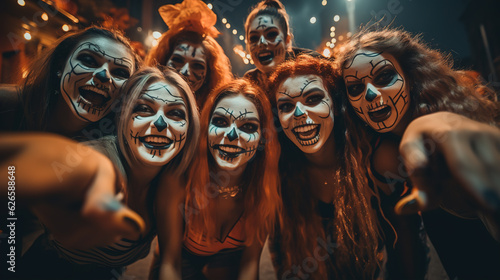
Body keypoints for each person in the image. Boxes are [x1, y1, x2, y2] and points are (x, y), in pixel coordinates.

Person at [3, 66, 200, 279]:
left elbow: (171, 263)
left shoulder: (170, 179)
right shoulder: (98, 158)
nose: (160, 123)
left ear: (190, 127)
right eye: (143, 108)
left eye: (176, 113)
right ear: (123, 116)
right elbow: (82, 165)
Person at [335, 27, 500, 279]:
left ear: (411, 76)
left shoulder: (443, 128)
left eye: (384, 76)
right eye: (355, 88)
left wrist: (435, 127)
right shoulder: (382, 155)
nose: (369, 94)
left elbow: (441, 127)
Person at [268, 55, 382, 279]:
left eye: (313, 99)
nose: (299, 113)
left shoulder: (371, 161)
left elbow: (407, 251)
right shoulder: (277, 179)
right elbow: (284, 265)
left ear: (336, 104)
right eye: (286, 106)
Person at [154, 79, 281, 280]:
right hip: (180, 259)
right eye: (221, 122)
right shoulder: (178, 177)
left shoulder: (264, 186)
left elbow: (250, 263)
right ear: (205, 127)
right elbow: (170, 262)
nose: (231, 135)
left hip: (229, 260)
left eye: (248, 126)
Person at [0, 26, 140, 138]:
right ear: (60, 65)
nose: (103, 76)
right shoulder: (6, 105)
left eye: (120, 73)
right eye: (89, 60)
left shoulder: (114, 148)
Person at [145, 0, 232, 107]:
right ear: (162, 62)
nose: (185, 71)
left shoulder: (210, 119)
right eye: (178, 60)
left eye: (197, 65)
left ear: (209, 76)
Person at [244, 0, 322, 94]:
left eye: (271, 34)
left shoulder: (314, 65)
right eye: (254, 38)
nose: (261, 43)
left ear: (287, 40)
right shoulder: (250, 81)